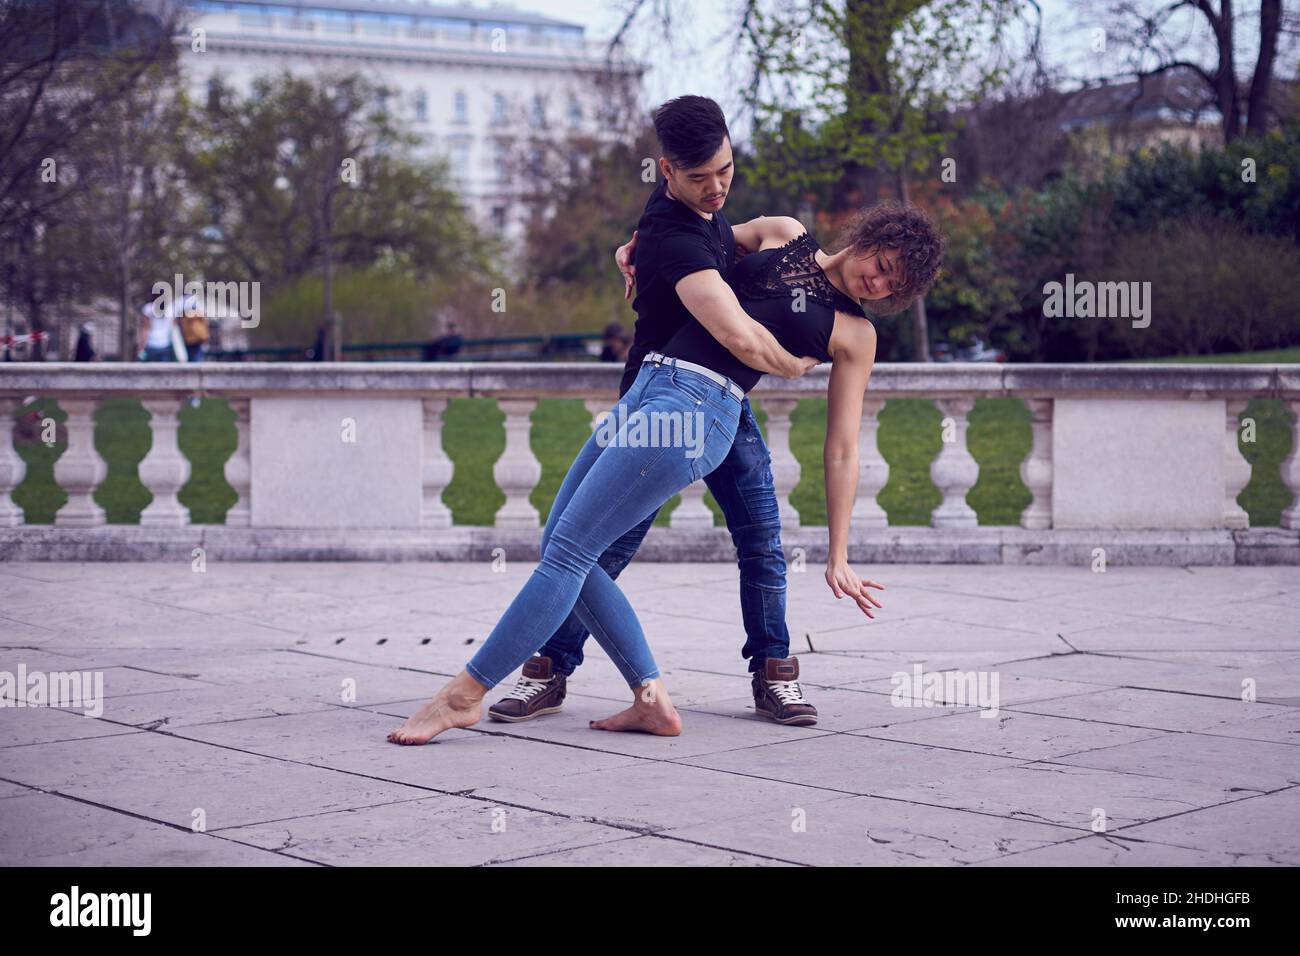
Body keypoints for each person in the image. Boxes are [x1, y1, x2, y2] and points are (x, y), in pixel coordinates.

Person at [386, 97, 944, 746]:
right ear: (870, 238)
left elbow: (843, 448)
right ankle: (648, 697)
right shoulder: (782, 232)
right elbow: (690, 246)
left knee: (595, 549)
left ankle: (464, 693)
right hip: (652, 383)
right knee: (568, 543)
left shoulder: (854, 335)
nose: (877, 283)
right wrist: (634, 249)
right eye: (881, 265)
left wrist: (840, 552)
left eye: (892, 286)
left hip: (701, 408)